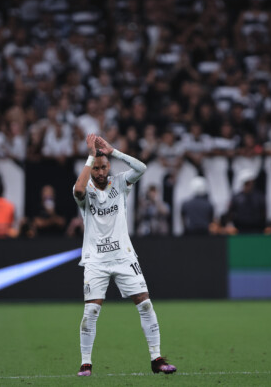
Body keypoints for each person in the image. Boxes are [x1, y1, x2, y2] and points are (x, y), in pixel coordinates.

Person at [72, 134, 176, 377]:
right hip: (96, 260)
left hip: (124, 257)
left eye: (104, 167)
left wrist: (114, 151)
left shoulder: (120, 183)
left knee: (146, 304)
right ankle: (86, 363)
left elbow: (141, 167)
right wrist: (91, 155)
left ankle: (156, 358)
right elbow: (78, 189)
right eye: (96, 167)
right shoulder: (84, 189)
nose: (100, 172)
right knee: (91, 312)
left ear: (109, 167)